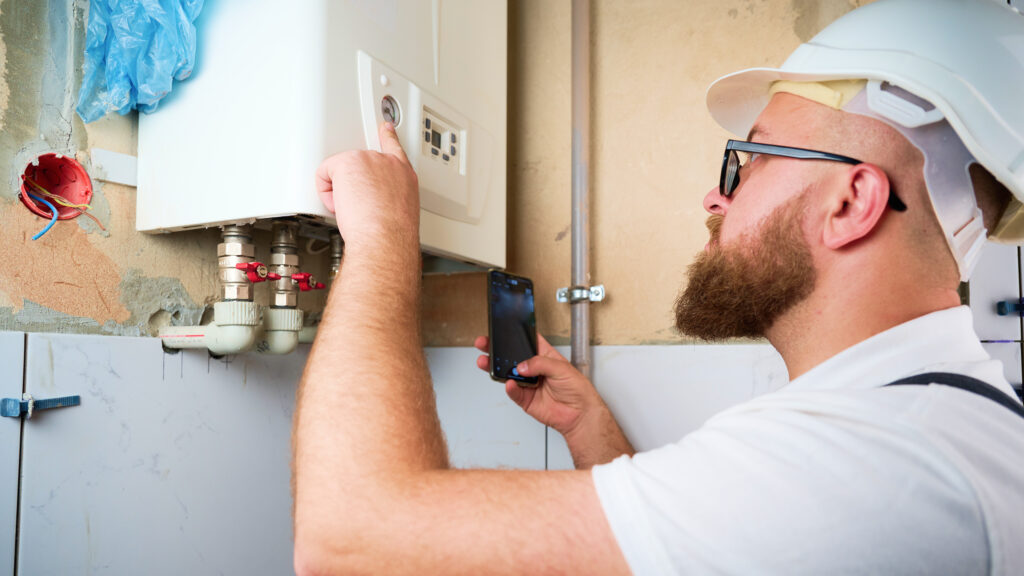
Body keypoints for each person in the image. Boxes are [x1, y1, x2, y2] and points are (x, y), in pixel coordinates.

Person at [292, 0, 1024, 573]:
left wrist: (384, 235)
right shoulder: (918, 423)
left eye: (750, 161)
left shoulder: (871, 464)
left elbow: (349, 537)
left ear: (851, 203)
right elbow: (688, 547)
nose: (716, 198)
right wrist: (589, 428)